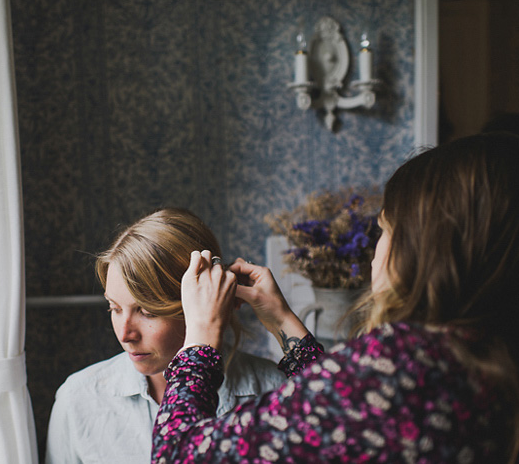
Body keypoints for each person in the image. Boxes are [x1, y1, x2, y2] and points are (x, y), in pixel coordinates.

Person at [152, 133, 519, 463]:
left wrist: (200, 336)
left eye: (385, 231)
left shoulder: (404, 363)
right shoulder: (477, 358)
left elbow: (176, 456)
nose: (376, 252)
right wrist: (283, 321)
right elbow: (341, 416)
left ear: (425, 251)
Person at [44, 208, 286, 464]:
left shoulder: (275, 393)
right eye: (114, 308)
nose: (125, 334)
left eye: (147, 312)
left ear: (207, 303)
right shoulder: (78, 398)